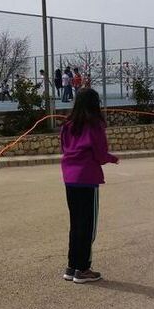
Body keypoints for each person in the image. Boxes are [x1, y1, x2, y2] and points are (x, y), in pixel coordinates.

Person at [60, 88, 119, 284]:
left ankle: (72, 266)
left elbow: (65, 148)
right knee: (88, 225)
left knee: (76, 223)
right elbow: (101, 155)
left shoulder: (68, 125)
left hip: (70, 177)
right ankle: (83, 269)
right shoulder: (95, 126)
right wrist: (113, 158)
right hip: (86, 177)